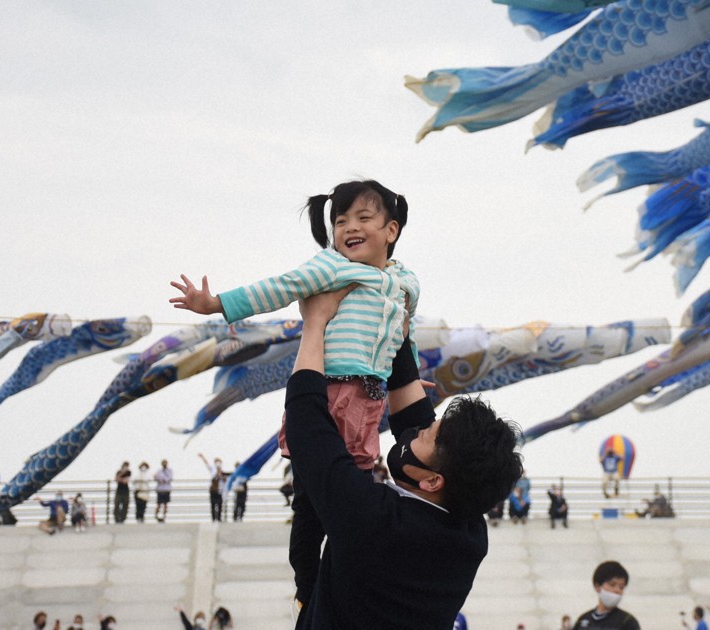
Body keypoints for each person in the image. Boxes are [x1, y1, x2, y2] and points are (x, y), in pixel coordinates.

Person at [170, 179, 418, 606]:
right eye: (341, 221)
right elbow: (279, 287)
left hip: (369, 400)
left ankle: (340, 582)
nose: (349, 228)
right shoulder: (332, 266)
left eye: (363, 218)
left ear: (391, 230)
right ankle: (307, 588)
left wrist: (409, 379)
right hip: (328, 392)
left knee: (351, 498)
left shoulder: (406, 283)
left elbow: (401, 337)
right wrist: (217, 305)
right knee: (309, 503)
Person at [284, 287, 523, 628]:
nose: (414, 434)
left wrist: (315, 323)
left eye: (425, 436)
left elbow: (307, 426)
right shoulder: (467, 528)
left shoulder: (379, 524)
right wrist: (398, 335)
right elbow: (416, 418)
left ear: (432, 480)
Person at [572, 560, 640, 629]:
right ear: (597, 586)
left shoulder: (627, 621)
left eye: (621, 587)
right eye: (612, 585)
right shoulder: (583, 620)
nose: (617, 590)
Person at [199, 453, 228, 522]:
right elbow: (207, 464)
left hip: (220, 490)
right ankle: (214, 518)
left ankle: (219, 518)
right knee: (213, 504)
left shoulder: (222, 472)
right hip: (213, 489)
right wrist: (203, 457)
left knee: (220, 504)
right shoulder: (213, 469)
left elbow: (225, 480)